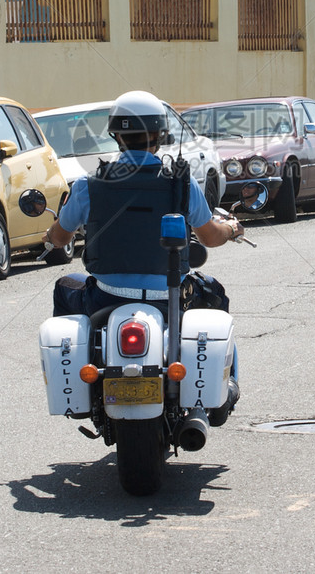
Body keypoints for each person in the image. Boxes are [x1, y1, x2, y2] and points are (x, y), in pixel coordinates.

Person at [43, 90, 243, 423]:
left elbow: (61, 236)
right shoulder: (182, 184)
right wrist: (232, 228)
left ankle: (84, 377)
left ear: (115, 135)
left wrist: (51, 235)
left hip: (103, 299)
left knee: (65, 287)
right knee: (216, 295)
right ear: (161, 135)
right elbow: (210, 236)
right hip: (172, 300)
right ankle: (225, 390)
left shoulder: (88, 185)